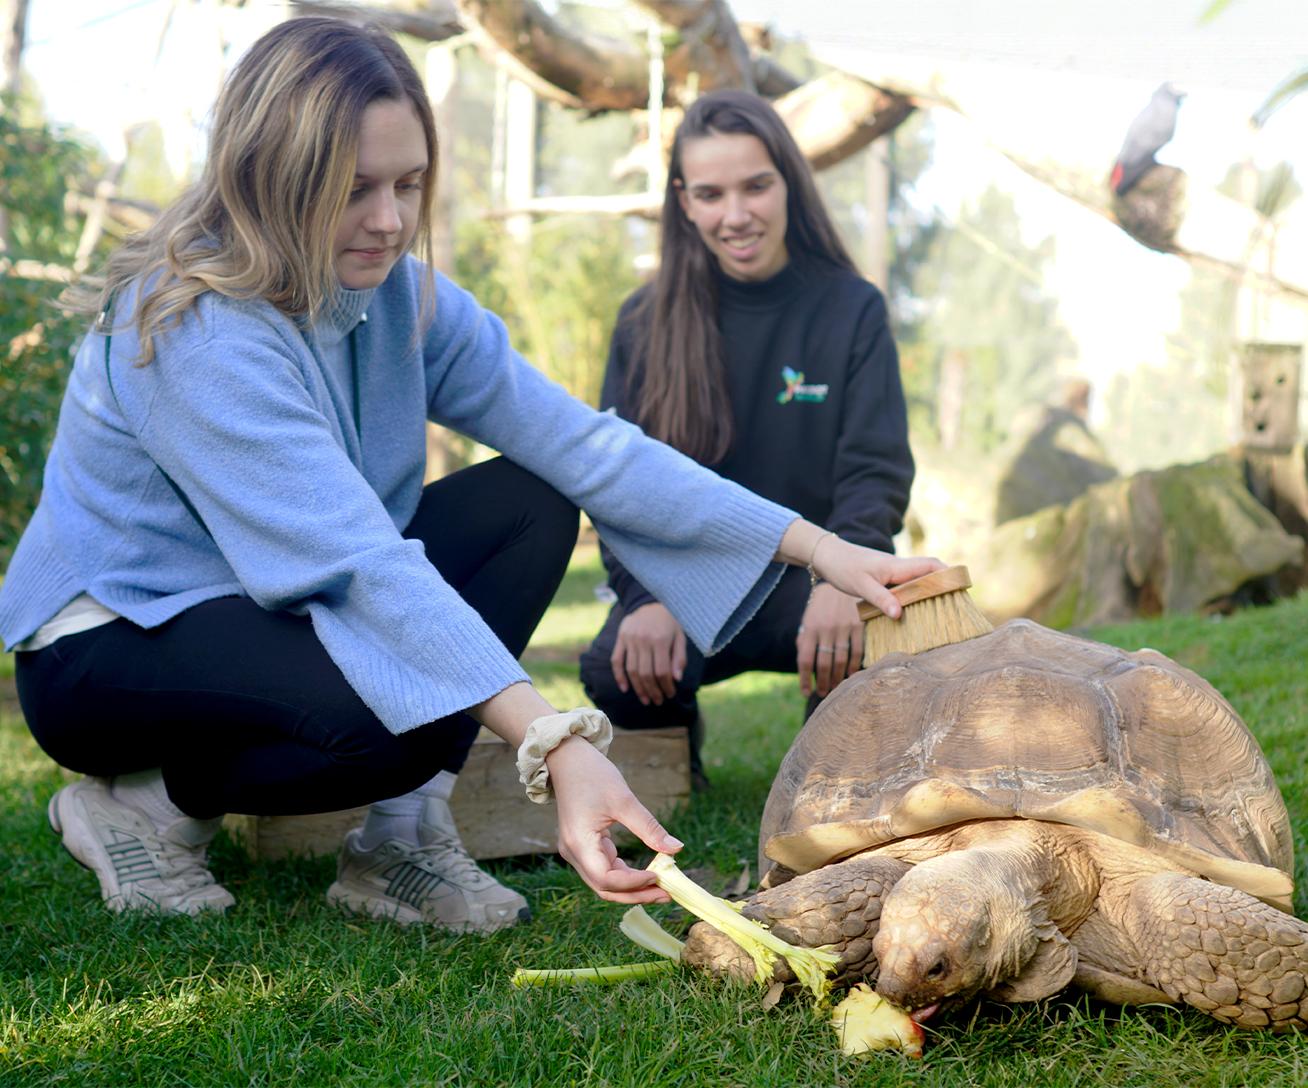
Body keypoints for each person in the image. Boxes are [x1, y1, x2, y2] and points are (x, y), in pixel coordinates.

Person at [0, 19, 940, 929]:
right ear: (271, 177)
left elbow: (585, 444)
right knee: (381, 710)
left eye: (409, 184)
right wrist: (555, 741)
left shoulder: (399, 295)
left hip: (266, 606)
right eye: (355, 188)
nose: (391, 220)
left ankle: (400, 839)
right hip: (112, 641)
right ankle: (146, 809)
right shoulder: (197, 329)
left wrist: (823, 550)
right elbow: (361, 565)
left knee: (533, 499)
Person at [580, 90, 914, 781]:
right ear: (684, 201)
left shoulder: (851, 309)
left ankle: (831, 755)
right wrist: (645, 598)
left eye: (756, 186)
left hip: (814, 584)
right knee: (613, 670)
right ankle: (675, 755)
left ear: (789, 180)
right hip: (693, 588)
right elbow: (616, 484)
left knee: (885, 643)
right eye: (710, 194)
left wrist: (842, 578)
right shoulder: (645, 320)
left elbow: (874, 471)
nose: (736, 215)